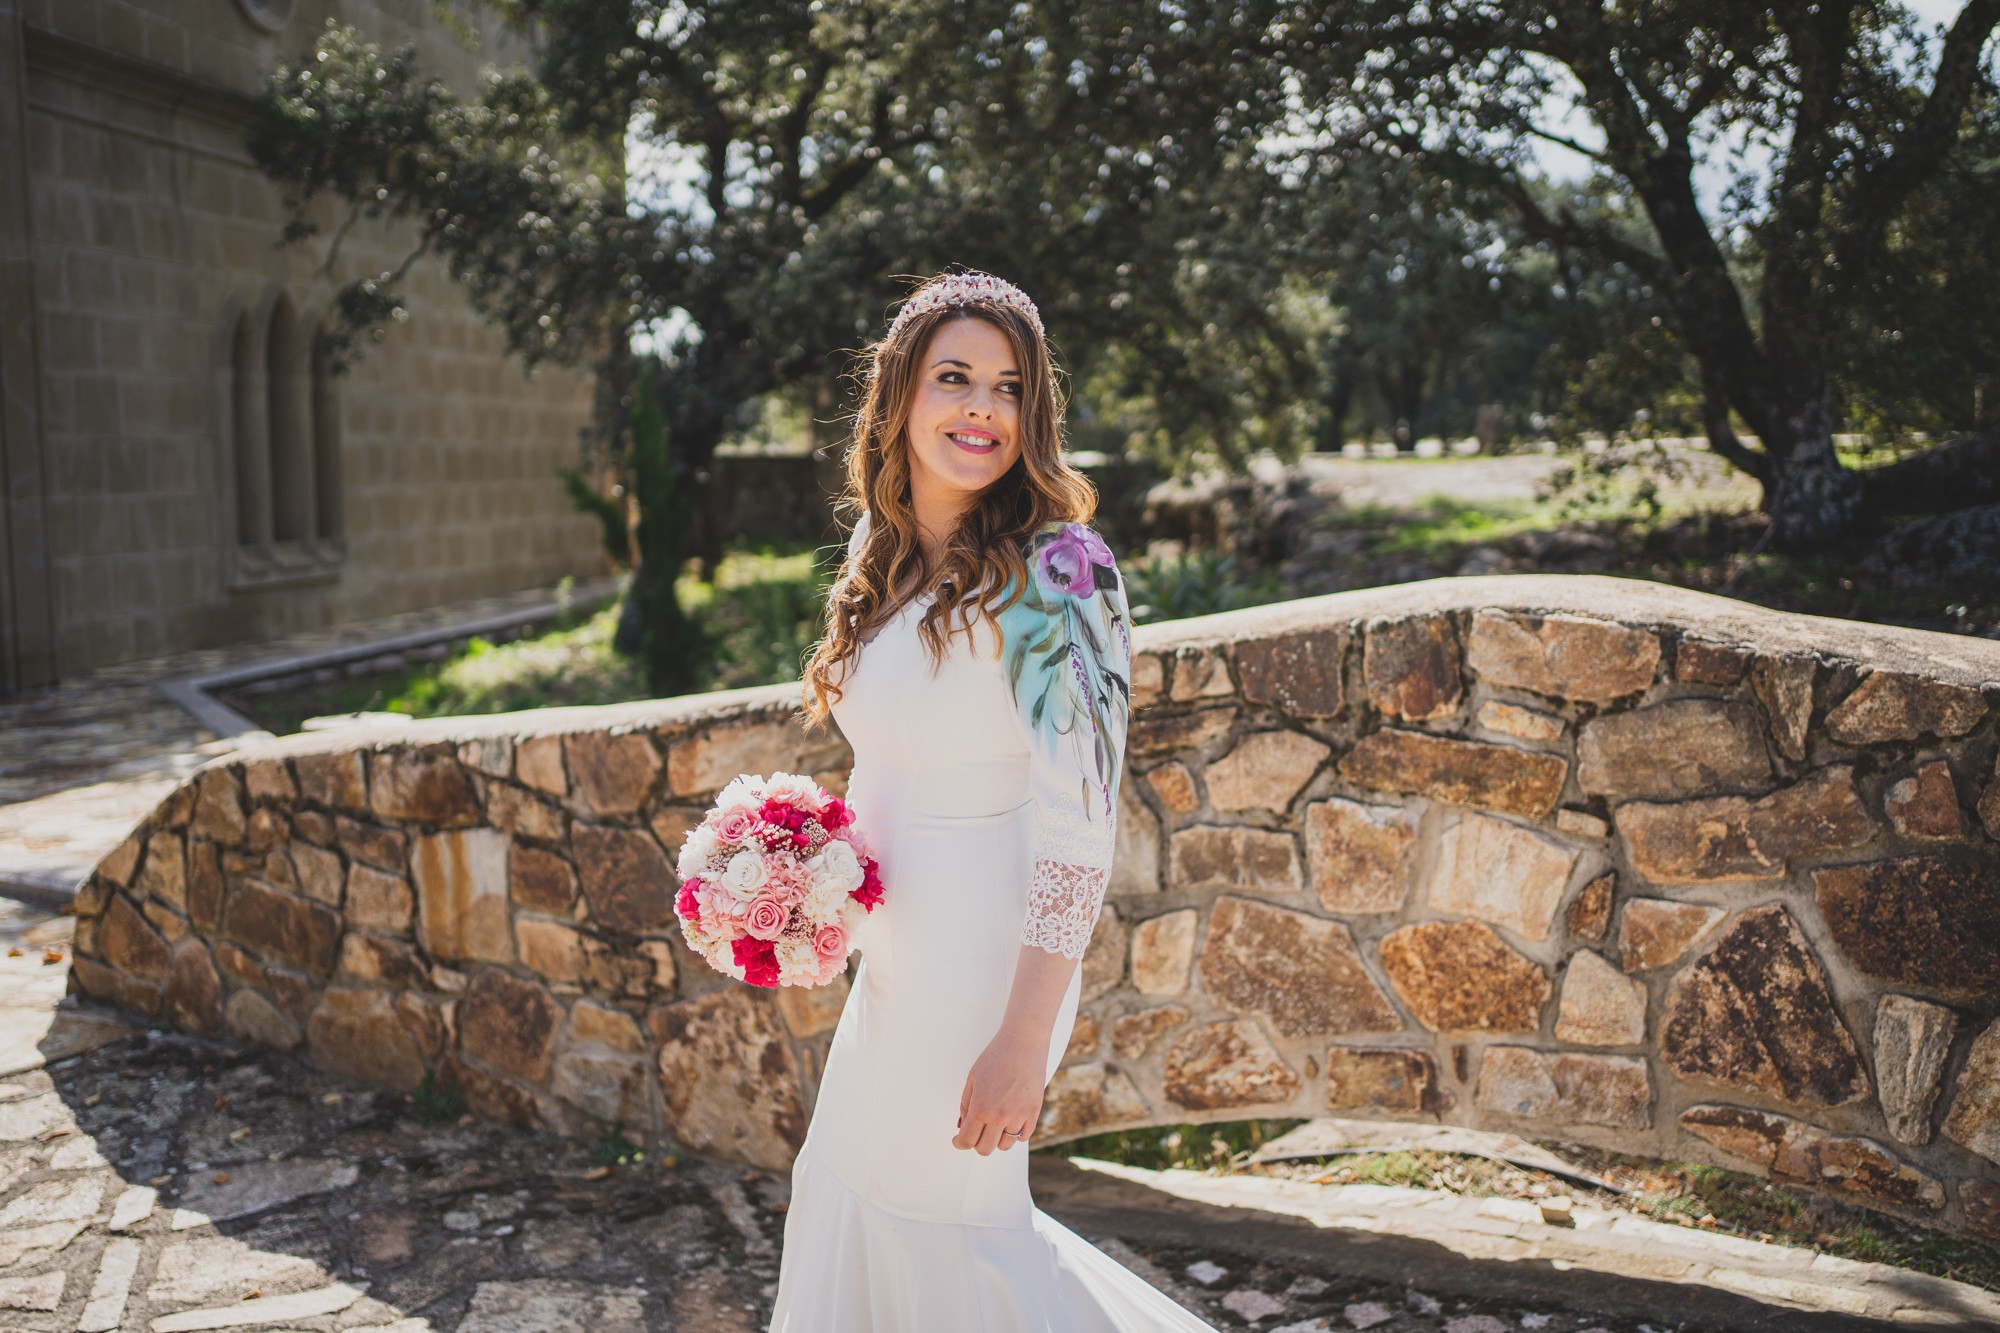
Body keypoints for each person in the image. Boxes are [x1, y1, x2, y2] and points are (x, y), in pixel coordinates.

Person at [770, 270, 1220, 1330]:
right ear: (899, 398)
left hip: (983, 967)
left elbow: (1081, 819)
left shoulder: (1059, 569)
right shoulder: (879, 559)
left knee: (950, 1228)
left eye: (1008, 387)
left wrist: (1022, 1038)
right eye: (954, 378)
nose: (981, 408)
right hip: (892, 961)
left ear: (1034, 414)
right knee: (858, 1193)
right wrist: (801, 878)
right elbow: (890, 762)